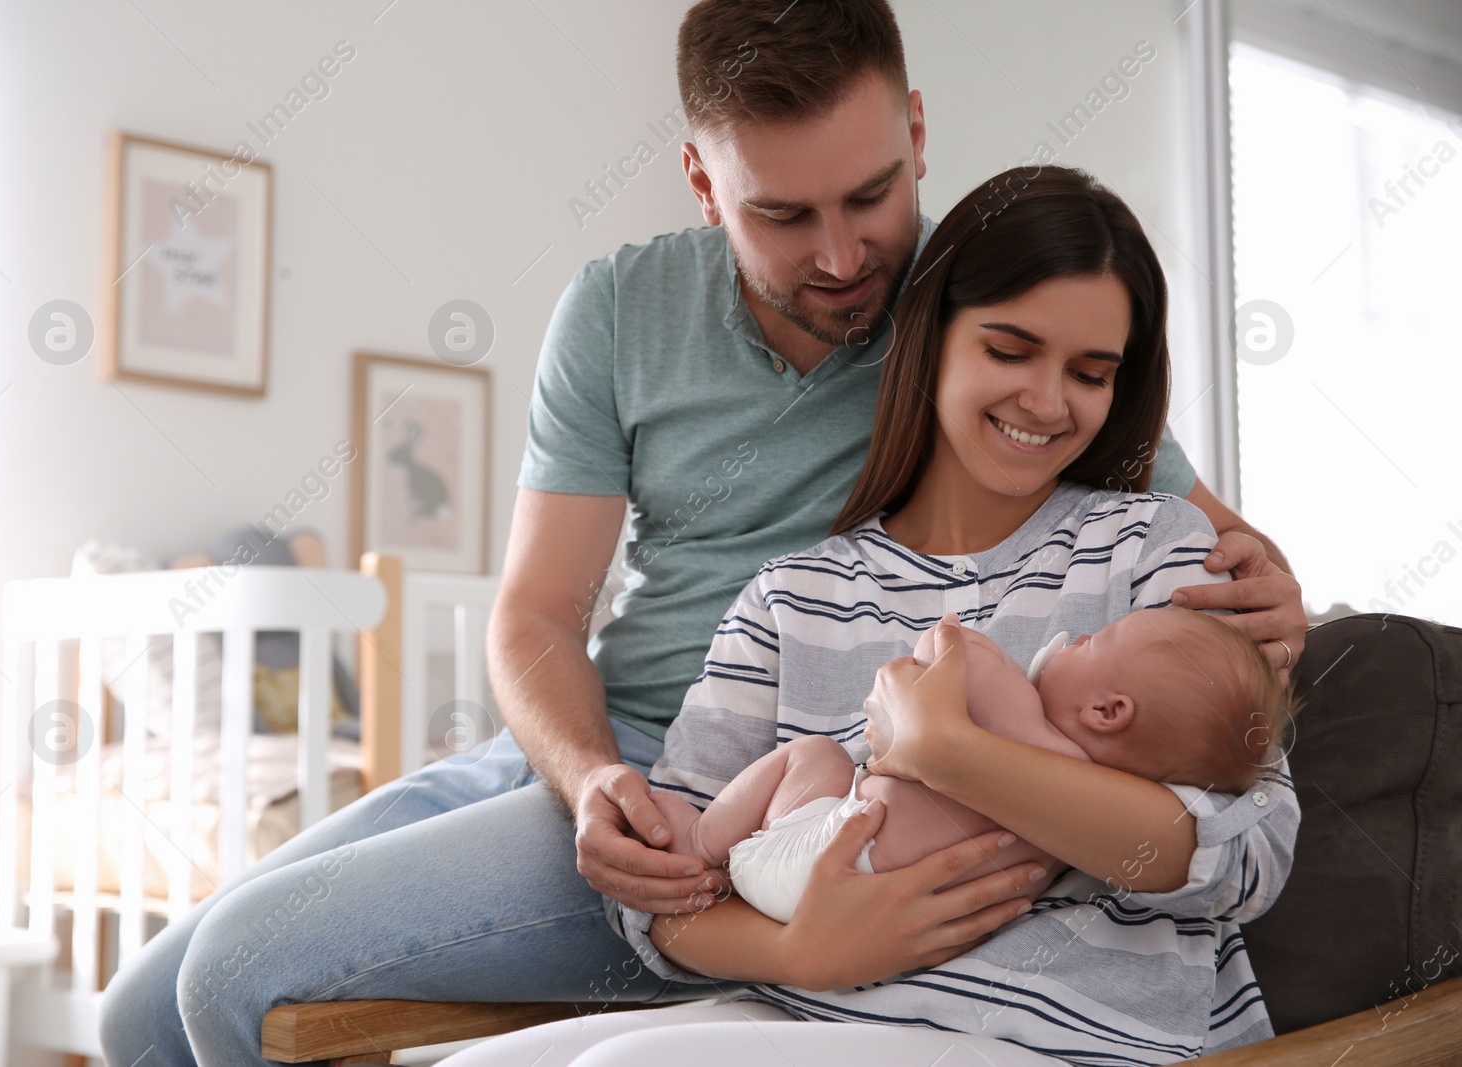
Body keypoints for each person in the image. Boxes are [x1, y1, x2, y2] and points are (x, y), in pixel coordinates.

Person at [97, 4, 1308, 1064]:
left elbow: (1173, 518)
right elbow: (535, 613)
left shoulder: (973, 302)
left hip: (744, 788)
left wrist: (1268, 588)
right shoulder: (622, 309)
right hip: (600, 764)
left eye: (872, 195)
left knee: (235, 974)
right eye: (784, 215)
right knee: (133, 1013)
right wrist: (587, 783)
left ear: (917, 136)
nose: (841, 257)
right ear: (699, 180)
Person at [440, 164, 1302, 1067]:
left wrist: (954, 752)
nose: (1048, 403)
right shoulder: (793, 596)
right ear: (930, 340)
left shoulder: (1158, 551)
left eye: (1090, 373)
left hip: (1063, 1038)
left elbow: (1248, 854)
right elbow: (665, 890)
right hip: (809, 1010)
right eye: (1009, 351)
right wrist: (796, 949)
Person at [651, 606, 1293, 926]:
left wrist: (944, 723)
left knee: (813, 754)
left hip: (816, 856)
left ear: (1107, 710)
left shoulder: (1028, 733)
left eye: (1094, 641)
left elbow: (952, 643)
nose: (1070, 640)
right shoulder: (1094, 807)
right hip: (846, 896)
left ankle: (707, 841)